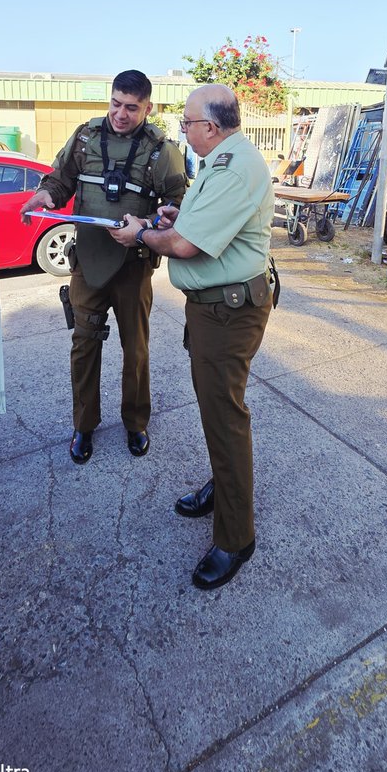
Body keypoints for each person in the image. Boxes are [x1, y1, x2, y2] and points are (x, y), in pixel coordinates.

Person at [109, 84, 277, 591]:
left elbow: (183, 247)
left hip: (228, 313)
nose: (183, 128)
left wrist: (141, 234)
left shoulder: (233, 166)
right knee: (214, 410)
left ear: (213, 125)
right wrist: (177, 217)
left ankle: (236, 536)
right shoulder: (221, 161)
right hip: (215, 310)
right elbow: (200, 228)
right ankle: (223, 488)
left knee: (225, 416)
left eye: (187, 121)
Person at [21, 70, 187, 464]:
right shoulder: (85, 138)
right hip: (88, 264)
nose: (121, 114)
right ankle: (84, 425)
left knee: (136, 349)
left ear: (148, 107)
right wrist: (44, 195)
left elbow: (178, 204)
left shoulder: (162, 150)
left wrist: (150, 223)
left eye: (131, 107)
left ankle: (135, 422)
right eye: (116, 104)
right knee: (84, 346)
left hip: (134, 267)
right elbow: (59, 180)